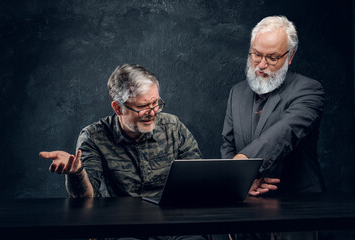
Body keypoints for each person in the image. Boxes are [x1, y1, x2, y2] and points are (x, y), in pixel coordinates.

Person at [40, 64, 208, 240]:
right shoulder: (93, 137)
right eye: (143, 106)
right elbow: (86, 198)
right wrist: (77, 172)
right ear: (118, 108)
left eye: (156, 103)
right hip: (122, 228)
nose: (153, 112)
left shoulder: (173, 127)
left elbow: (198, 178)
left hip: (173, 225)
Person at [221, 15, 325, 239]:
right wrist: (240, 184)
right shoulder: (236, 92)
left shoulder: (309, 90)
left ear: (290, 57)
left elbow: (284, 134)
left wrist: (240, 171)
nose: (260, 65)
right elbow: (228, 144)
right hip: (247, 209)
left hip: (296, 210)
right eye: (256, 54)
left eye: (272, 57)